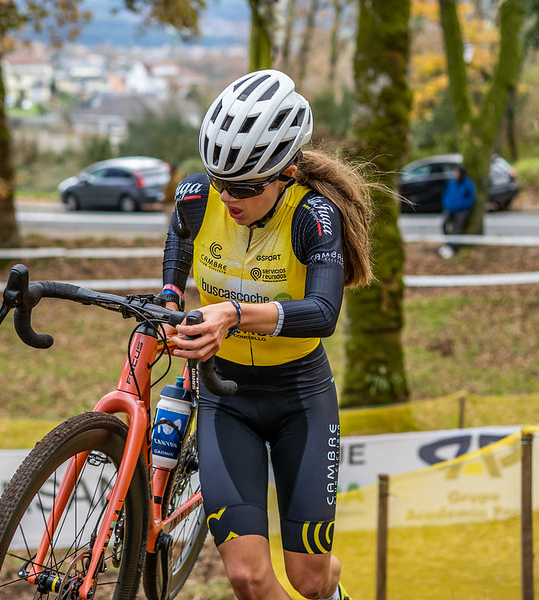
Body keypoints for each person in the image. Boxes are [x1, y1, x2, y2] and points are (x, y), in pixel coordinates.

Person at [160, 70, 374, 600]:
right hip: (223, 397)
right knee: (247, 578)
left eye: (247, 187)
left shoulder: (313, 216)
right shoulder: (196, 197)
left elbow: (323, 312)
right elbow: (178, 242)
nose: (230, 198)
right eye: (221, 182)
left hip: (300, 396)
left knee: (309, 577)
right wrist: (170, 297)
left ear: (287, 172)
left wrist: (231, 315)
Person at [438, 164, 476, 258]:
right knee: (444, 224)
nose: (454, 173)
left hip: (461, 210)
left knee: (457, 229)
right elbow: (446, 194)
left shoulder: (467, 183)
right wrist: (446, 204)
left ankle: (452, 248)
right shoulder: (451, 182)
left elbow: (471, 197)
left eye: (456, 172)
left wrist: (463, 205)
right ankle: (448, 244)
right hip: (449, 208)